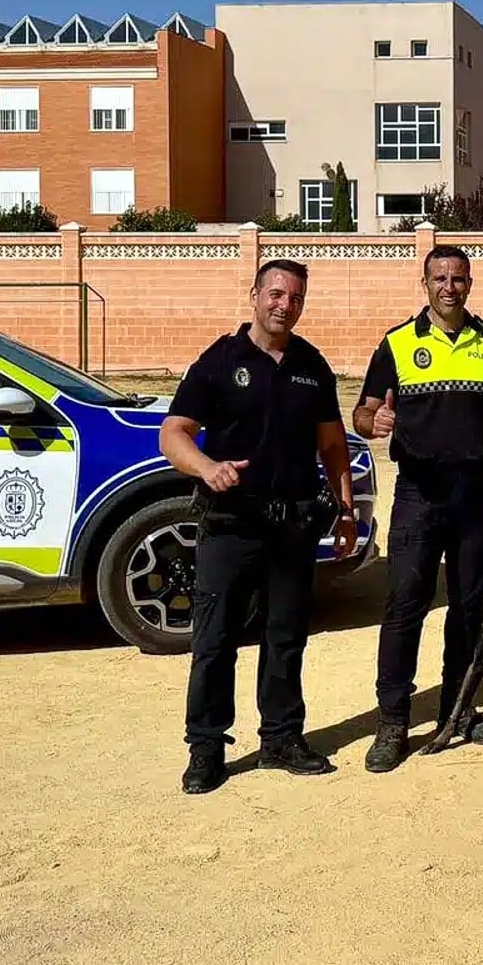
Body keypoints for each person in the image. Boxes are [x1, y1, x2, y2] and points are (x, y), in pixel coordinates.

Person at [160, 258, 360, 795]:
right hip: (231, 522)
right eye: (275, 294)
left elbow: (333, 444)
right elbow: (174, 432)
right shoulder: (220, 360)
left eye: (294, 297)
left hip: (293, 525)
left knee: (285, 638)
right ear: (254, 295)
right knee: (215, 639)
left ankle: (281, 739)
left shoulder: (310, 365)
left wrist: (345, 512)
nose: (284, 305)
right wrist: (207, 467)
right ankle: (206, 748)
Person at [352, 244, 483, 772]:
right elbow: (364, 410)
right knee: (405, 606)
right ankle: (393, 722)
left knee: (469, 608)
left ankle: (460, 709)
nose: (449, 286)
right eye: (439, 278)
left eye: (458, 278)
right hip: (418, 491)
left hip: (476, 492)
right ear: (424, 283)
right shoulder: (398, 343)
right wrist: (372, 423)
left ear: (469, 284)